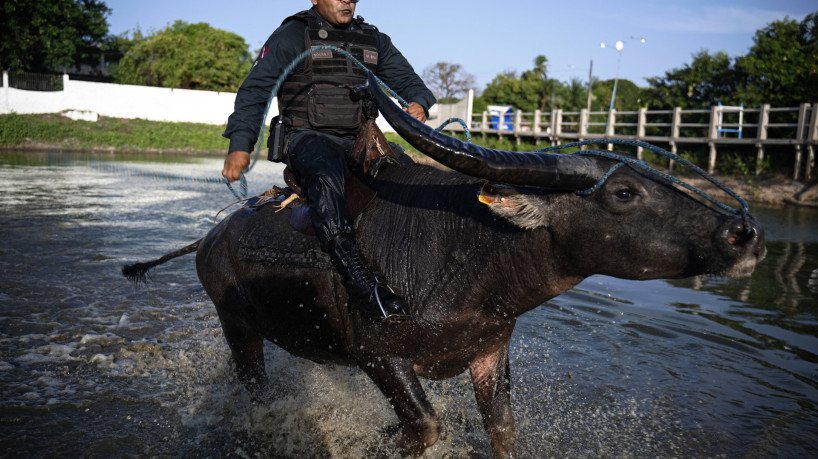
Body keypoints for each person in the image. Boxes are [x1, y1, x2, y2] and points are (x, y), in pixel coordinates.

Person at [221, 0, 436, 323]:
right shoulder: (293, 34)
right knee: (326, 178)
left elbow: (410, 83)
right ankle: (361, 284)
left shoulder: (374, 40)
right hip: (309, 138)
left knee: (415, 179)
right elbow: (255, 90)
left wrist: (418, 101)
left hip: (362, 140)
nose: (347, 0)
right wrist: (240, 145)